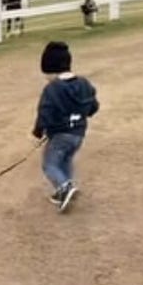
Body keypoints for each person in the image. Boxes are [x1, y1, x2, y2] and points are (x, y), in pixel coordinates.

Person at [31, 41, 99, 213]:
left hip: (60, 134)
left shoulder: (52, 89)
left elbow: (44, 113)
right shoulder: (84, 84)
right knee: (66, 160)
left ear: (51, 70)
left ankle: (64, 187)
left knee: (50, 164)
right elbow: (93, 106)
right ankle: (63, 190)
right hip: (78, 134)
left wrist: (39, 133)